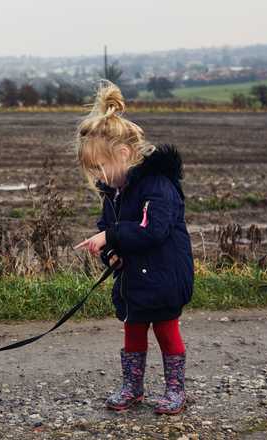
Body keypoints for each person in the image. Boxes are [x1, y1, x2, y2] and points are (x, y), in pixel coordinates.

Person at [73, 80, 194, 415]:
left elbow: (151, 231)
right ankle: (132, 387)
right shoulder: (114, 191)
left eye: (100, 166)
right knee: (133, 331)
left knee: (167, 332)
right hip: (134, 280)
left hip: (164, 278)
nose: (97, 175)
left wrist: (112, 237)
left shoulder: (158, 186)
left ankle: (175, 391)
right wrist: (109, 253)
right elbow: (107, 228)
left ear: (123, 154)